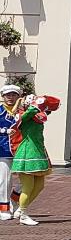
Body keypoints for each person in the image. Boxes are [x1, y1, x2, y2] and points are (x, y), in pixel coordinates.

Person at [12, 95, 59, 226]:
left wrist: (46, 104)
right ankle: (23, 215)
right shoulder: (23, 116)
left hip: (38, 152)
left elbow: (51, 106)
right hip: (27, 153)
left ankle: (21, 209)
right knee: (28, 187)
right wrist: (36, 104)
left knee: (39, 186)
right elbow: (29, 113)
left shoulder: (37, 116)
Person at [0, 86, 20, 220]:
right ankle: (4, 208)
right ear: (3, 96)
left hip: (21, 149)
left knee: (30, 178)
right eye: (8, 95)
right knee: (5, 180)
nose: (10, 97)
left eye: (13, 95)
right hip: (4, 149)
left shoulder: (22, 111)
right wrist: (5, 131)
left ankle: (15, 197)